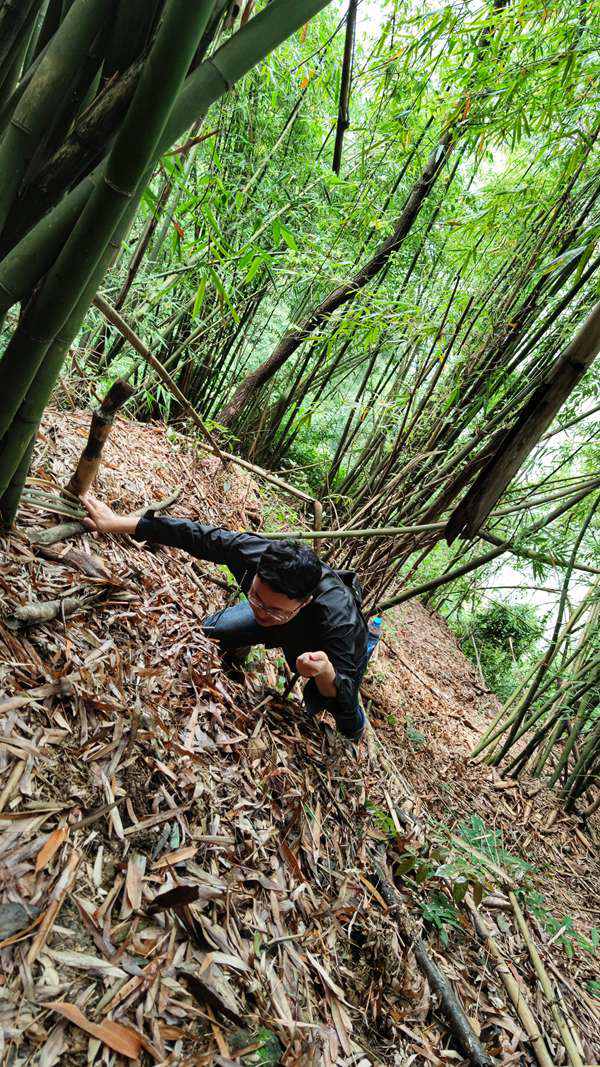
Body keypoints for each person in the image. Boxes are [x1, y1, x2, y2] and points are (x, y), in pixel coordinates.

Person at [81, 494, 379, 743]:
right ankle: (241, 646)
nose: (261, 612)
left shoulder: (339, 622)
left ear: (305, 602)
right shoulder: (258, 554)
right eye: (256, 597)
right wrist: (118, 523)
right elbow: (197, 536)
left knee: (346, 717)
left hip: (318, 646)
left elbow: (342, 688)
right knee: (211, 631)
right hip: (284, 626)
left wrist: (325, 673)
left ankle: (356, 725)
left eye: (274, 609)